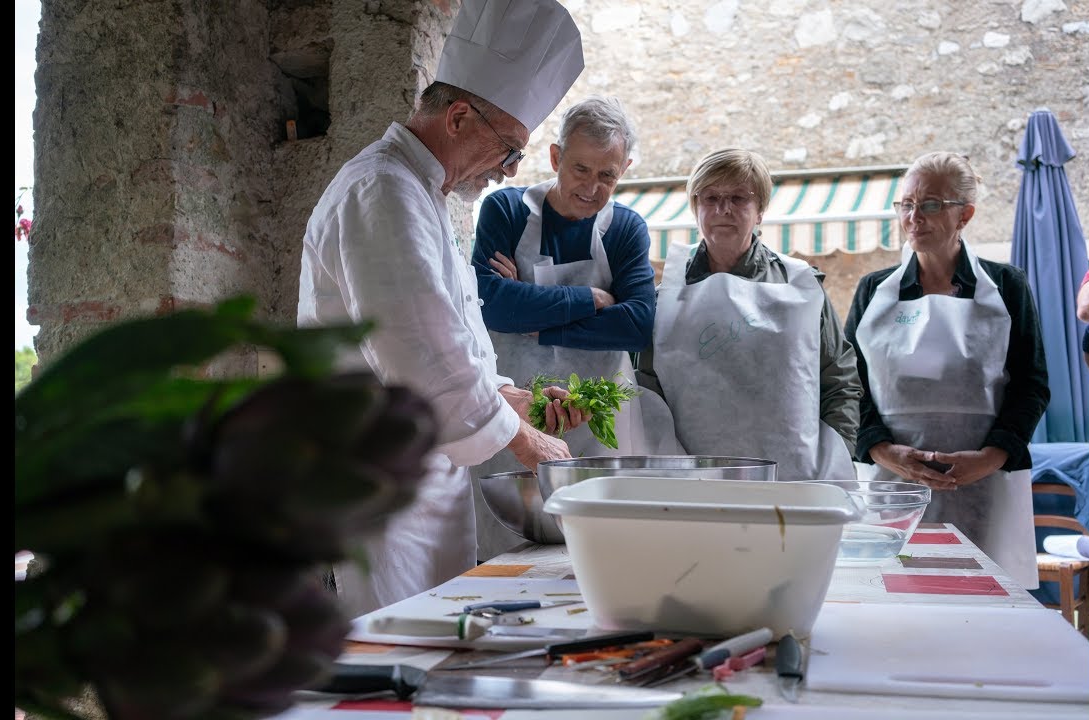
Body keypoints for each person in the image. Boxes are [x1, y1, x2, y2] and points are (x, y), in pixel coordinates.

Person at [296, 0, 584, 617]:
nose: (508, 172)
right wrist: (525, 442)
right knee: (384, 675)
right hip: (376, 489)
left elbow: (454, 341)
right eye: (509, 150)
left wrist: (515, 400)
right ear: (458, 118)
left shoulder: (424, 194)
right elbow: (417, 350)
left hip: (421, 484)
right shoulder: (382, 190)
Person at [844, 151, 1050, 589]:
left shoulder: (1006, 287)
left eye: (931, 204)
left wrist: (991, 457)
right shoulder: (872, 292)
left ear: (965, 214)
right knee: (894, 608)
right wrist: (883, 450)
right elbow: (848, 387)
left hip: (984, 486)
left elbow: (1031, 386)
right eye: (906, 205)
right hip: (891, 489)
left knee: (982, 607)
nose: (914, 216)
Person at [471, 95, 682, 465]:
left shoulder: (626, 229)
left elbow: (635, 326)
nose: (591, 187)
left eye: (607, 175)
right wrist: (593, 298)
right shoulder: (505, 210)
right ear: (556, 158)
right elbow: (491, 306)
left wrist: (535, 319)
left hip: (601, 416)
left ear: (625, 169)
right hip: (517, 414)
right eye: (580, 169)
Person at [636, 148, 861, 481]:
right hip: (692, 481)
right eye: (710, 197)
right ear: (695, 208)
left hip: (796, 478)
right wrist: (666, 465)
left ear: (760, 211)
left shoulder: (801, 286)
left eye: (739, 198)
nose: (723, 209)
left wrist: (837, 453)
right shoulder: (666, 297)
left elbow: (838, 379)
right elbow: (647, 389)